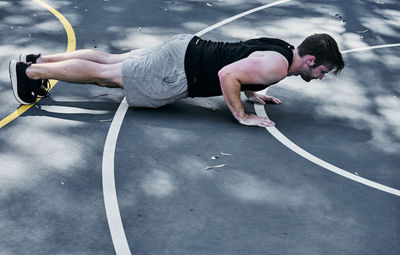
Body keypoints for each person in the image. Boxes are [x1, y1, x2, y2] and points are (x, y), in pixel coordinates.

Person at [9, 33, 344, 127]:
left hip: (184, 48)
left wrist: (254, 94)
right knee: (106, 76)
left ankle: (38, 60)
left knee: (111, 61)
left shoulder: (283, 50)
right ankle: (31, 74)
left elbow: (244, 59)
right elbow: (227, 74)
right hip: (181, 68)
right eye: (321, 71)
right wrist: (241, 115)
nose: (318, 77)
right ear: (311, 60)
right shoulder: (276, 66)